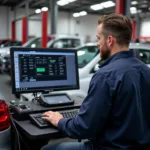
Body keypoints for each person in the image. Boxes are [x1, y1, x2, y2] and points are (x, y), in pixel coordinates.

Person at [41, 13, 150, 150]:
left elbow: (84, 128)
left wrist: (60, 120)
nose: (98, 43)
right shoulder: (145, 70)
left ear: (109, 40)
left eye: (99, 38)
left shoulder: (105, 75)